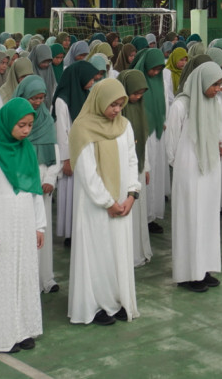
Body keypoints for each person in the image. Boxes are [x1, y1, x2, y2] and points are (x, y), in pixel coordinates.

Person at [0, 98, 45, 353]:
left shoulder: (27, 150)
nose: (26, 131)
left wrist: (40, 225)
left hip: (25, 223)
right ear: (7, 123)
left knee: (24, 274)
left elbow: (35, 190)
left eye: (29, 125)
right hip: (0, 225)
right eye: (21, 125)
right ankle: (2, 333)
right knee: (2, 277)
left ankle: (23, 329)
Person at [68, 78, 140, 324]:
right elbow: (86, 171)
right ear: (99, 101)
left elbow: (132, 160)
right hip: (95, 205)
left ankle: (116, 300)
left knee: (117, 252)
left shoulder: (125, 126)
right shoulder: (82, 128)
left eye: (121, 105)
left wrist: (132, 194)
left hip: (121, 202)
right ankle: (95, 305)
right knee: (96, 253)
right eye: (113, 105)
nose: (117, 110)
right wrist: (107, 202)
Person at [167, 62, 222, 292]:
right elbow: (171, 145)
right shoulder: (181, 105)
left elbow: (217, 131)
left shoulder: (213, 102)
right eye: (214, 84)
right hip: (189, 170)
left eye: (219, 84)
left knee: (207, 218)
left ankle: (204, 268)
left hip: (210, 168)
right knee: (190, 219)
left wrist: (218, 145)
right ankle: (188, 273)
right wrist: (182, 167)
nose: (216, 89)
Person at [13, 76, 62, 293]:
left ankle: (45, 278)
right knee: (22, 231)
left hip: (43, 183)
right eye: (34, 98)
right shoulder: (13, 120)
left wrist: (50, 179)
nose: (37, 102)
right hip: (20, 183)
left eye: (41, 98)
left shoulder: (46, 121)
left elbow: (55, 154)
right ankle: (25, 280)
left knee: (42, 231)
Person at [52, 61, 102, 245]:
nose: (92, 82)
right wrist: (67, 159)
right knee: (70, 194)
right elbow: (62, 132)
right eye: (90, 79)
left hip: (86, 151)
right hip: (71, 157)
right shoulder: (62, 100)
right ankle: (71, 233)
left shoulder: (85, 95)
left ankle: (84, 230)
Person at [118, 70, 152, 268]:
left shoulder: (139, 107)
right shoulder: (118, 109)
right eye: (135, 93)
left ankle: (138, 251)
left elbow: (143, 139)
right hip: (121, 168)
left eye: (141, 93)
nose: (138, 97)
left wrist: (145, 166)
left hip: (137, 166)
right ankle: (126, 255)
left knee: (138, 210)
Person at [131, 48, 168, 233]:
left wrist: (162, 119)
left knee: (155, 175)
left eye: (159, 69)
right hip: (140, 134)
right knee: (143, 174)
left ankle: (151, 215)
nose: (155, 72)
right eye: (153, 69)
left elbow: (161, 102)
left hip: (156, 133)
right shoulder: (136, 80)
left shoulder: (159, 80)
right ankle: (142, 216)